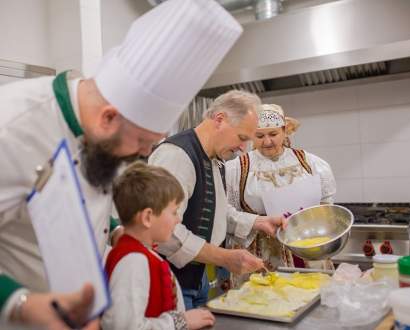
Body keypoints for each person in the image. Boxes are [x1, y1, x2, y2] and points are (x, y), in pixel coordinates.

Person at [0, 0, 242, 326]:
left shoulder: (105, 141)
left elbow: (84, 206)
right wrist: (22, 302)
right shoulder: (11, 129)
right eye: (142, 142)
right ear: (108, 118)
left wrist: (116, 233)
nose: (143, 154)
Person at [149, 90, 287, 309]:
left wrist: (259, 222)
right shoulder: (177, 156)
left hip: (198, 278)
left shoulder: (215, 159)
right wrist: (224, 257)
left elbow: (219, 211)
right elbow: (162, 233)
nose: (243, 149)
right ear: (220, 120)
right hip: (172, 282)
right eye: (242, 138)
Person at [225, 104, 336, 275]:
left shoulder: (310, 162)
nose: (267, 142)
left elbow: (326, 202)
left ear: (285, 131)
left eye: (273, 134)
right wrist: (256, 222)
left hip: (306, 246)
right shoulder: (236, 169)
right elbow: (226, 213)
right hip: (261, 253)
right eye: (259, 135)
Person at [102, 161, 215, 330]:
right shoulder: (133, 261)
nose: (179, 219)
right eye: (174, 211)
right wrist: (181, 321)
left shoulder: (141, 254)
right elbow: (124, 326)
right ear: (147, 217)